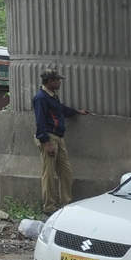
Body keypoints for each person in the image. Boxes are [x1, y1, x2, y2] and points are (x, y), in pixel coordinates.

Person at [33, 70, 89, 214]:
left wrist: (77, 111)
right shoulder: (41, 98)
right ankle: (49, 207)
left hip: (59, 137)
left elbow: (61, 109)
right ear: (50, 81)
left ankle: (66, 203)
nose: (59, 82)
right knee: (49, 174)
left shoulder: (52, 97)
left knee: (66, 172)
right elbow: (40, 121)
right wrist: (46, 142)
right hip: (49, 138)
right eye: (57, 80)